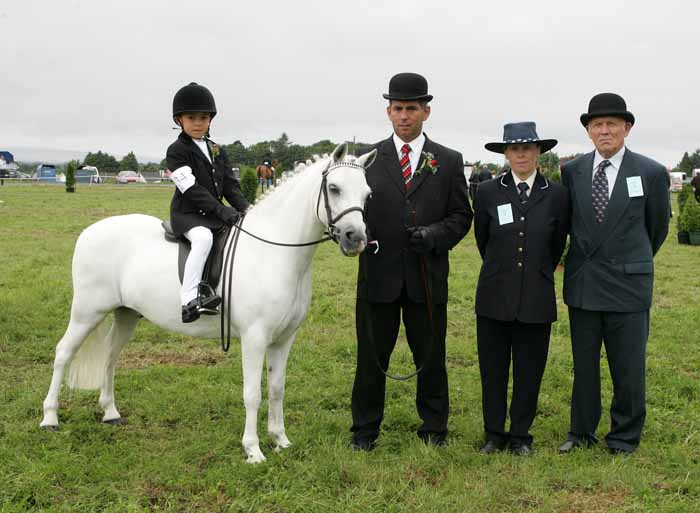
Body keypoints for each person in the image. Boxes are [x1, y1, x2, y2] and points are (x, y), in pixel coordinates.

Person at [351, 72, 473, 450]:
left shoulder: (448, 161)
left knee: (432, 357)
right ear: (388, 111)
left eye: (412, 109)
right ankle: (365, 430)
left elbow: (461, 216)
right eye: (398, 108)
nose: (405, 116)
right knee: (371, 358)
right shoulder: (365, 159)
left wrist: (435, 236)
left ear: (426, 111)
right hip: (378, 276)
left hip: (426, 276)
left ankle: (434, 428)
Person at [559, 93, 670, 455]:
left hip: (628, 285)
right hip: (585, 285)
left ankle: (624, 436)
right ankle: (581, 433)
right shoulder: (572, 171)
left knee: (628, 367)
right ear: (589, 131)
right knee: (584, 367)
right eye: (597, 125)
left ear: (627, 128)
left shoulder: (651, 173)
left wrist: (629, 260)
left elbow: (656, 229)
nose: (604, 130)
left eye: (611, 124)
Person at [473, 122, 570, 456]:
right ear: (505, 153)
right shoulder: (486, 191)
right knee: (493, 369)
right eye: (515, 148)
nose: (522, 154)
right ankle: (494, 434)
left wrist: (535, 271)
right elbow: (483, 241)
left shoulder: (556, 194)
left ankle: (520, 435)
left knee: (530, 371)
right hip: (494, 295)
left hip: (536, 296)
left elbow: (556, 244)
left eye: (528, 148)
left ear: (539, 151)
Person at [167, 82, 249, 323]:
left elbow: (231, 186)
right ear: (179, 120)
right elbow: (191, 189)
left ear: (210, 119)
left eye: (203, 117)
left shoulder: (216, 149)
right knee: (203, 238)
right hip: (188, 214)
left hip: (214, 213)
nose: (198, 122)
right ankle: (189, 299)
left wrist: (246, 209)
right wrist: (223, 210)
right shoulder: (176, 150)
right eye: (191, 117)